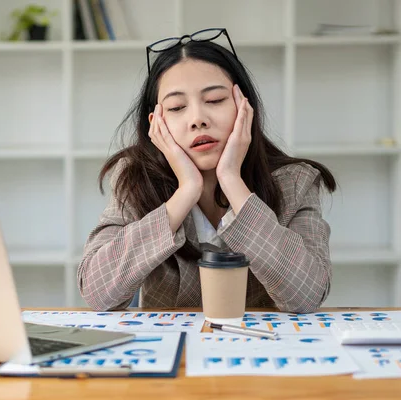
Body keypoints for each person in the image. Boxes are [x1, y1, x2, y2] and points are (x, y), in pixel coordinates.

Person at [77, 28, 337, 313]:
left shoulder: (295, 182)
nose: (198, 119)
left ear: (244, 106)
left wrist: (232, 181)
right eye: (177, 107)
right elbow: (96, 293)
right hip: (175, 353)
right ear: (156, 125)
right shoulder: (135, 178)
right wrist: (186, 191)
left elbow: (307, 296)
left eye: (214, 100)